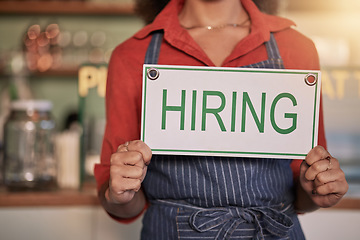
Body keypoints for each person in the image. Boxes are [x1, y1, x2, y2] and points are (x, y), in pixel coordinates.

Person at [94, 0, 349, 239]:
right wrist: (121, 193)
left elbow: (304, 190)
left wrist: (317, 191)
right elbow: (122, 202)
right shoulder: (130, 55)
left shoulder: (296, 47)